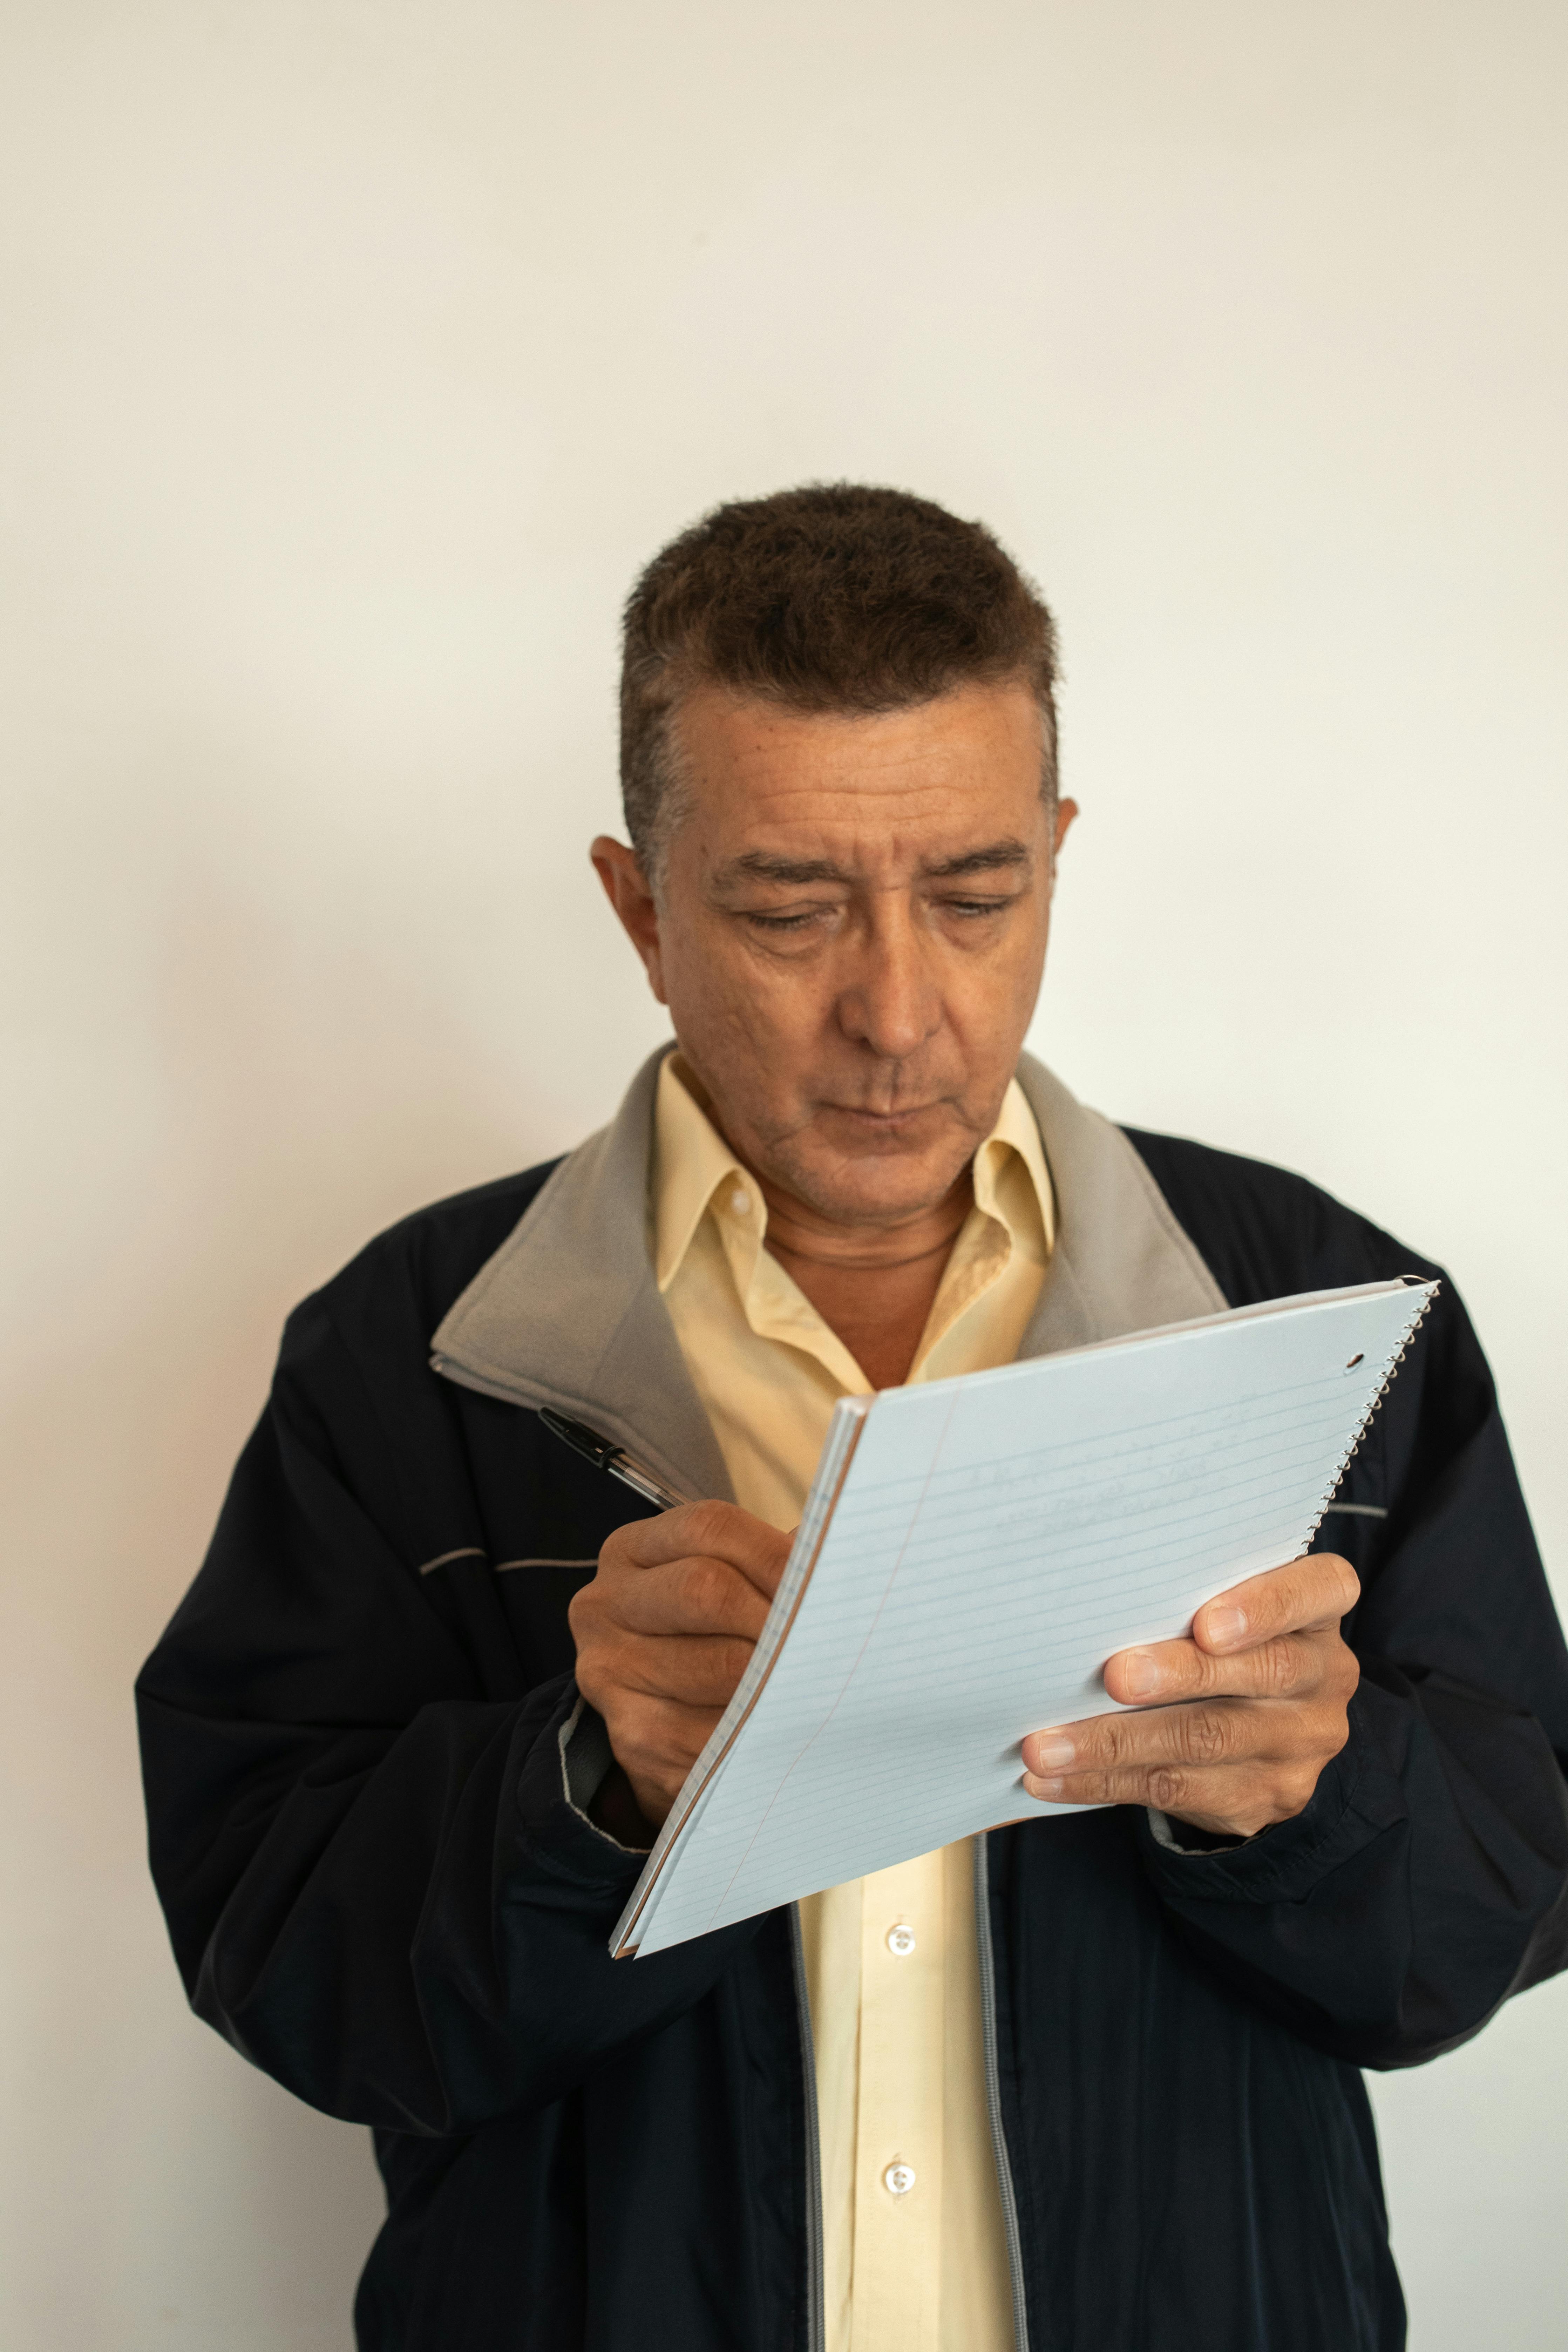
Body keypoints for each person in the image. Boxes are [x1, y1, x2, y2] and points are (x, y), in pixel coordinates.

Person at [137, 484, 1568, 2352]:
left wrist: (1318, 1787)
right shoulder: (414, 1349)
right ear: (639, 908)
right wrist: (584, 1786)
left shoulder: (1326, 1315)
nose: (898, 1010)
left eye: (977, 895)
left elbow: (1497, 1908)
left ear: (1058, 856)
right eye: (792, 907)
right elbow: (287, 1963)